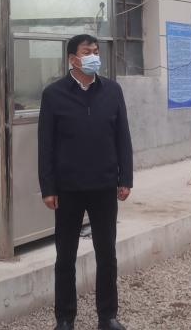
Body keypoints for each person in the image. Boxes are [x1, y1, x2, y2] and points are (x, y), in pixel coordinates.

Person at [38, 34, 133, 330]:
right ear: (72, 59)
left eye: (96, 51)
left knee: (107, 254)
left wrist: (125, 178)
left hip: (104, 185)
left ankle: (108, 315)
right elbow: (46, 144)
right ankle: (65, 318)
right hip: (68, 188)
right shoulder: (54, 94)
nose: (94, 56)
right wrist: (48, 187)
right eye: (87, 51)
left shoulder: (112, 91)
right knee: (65, 256)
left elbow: (123, 137)